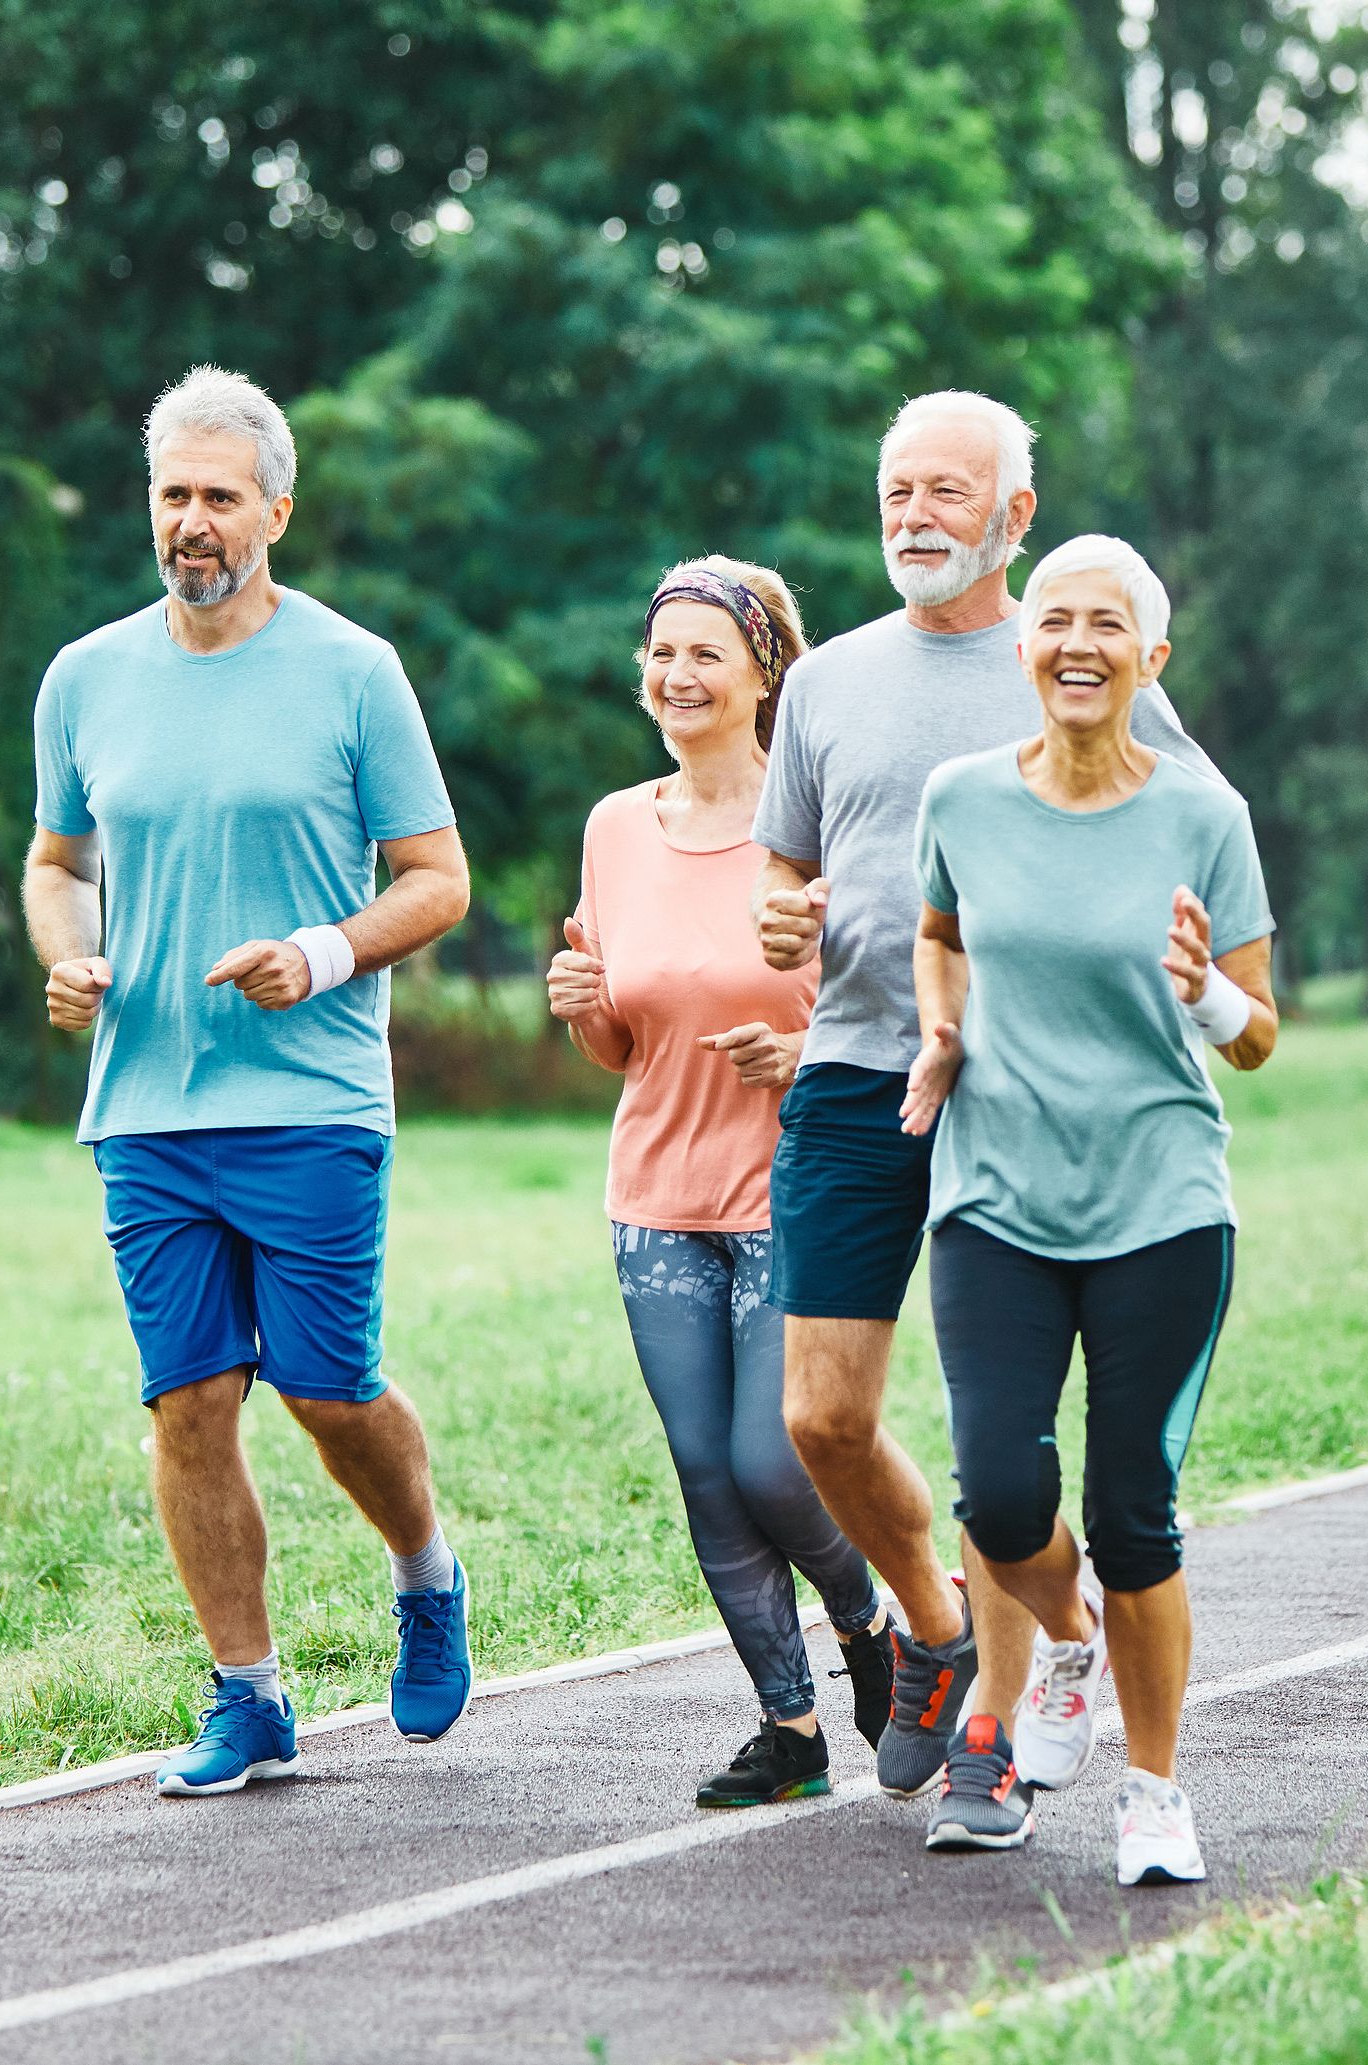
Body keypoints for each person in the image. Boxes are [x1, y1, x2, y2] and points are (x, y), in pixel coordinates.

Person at [752, 393, 1236, 1805]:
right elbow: (784, 868)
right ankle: (947, 1628)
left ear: (1013, 518)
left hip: (1021, 1092)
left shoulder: (1072, 660)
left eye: (948, 494)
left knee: (995, 1442)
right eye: (896, 489)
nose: (914, 515)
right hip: (851, 1071)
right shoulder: (830, 681)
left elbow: (1191, 834)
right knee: (821, 1417)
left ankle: (995, 1745)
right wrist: (783, 925)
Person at [22, 365, 477, 1797]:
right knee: (191, 1401)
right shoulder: (85, 677)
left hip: (313, 1099)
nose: (194, 521)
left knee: (328, 1392)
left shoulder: (353, 671)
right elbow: (56, 863)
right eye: (174, 494)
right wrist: (71, 957)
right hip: (147, 1105)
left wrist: (324, 951)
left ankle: (424, 1569)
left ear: (278, 508)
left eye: (222, 496)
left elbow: (440, 880)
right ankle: (248, 1693)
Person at [897, 532, 1277, 1884]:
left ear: (1148, 659)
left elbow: (1260, 1033)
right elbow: (937, 934)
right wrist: (940, 1031)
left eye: (1107, 625)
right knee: (1003, 1493)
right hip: (995, 1191)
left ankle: (1156, 1789)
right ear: (1023, 647)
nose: (1076, 644)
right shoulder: (960, 798)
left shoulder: (1201, 818)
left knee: (1134, 1514)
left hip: (1160, 1202)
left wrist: (1204, 994)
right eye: (1054, 620)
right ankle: (1069, 1642)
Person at [549, 558, 893, 1808]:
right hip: (654, 1197)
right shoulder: (612, 828)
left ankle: (870, 1629)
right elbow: (621, 1045)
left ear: (765, 674)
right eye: (660, 654)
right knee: (705, 1470)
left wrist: (803, 1053)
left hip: (792, 1191)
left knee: (773, 1461)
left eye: (705, 653)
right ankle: (789, 1729)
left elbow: (889, 1009)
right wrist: (584, 1011)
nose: (677, 675)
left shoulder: (817, 830)